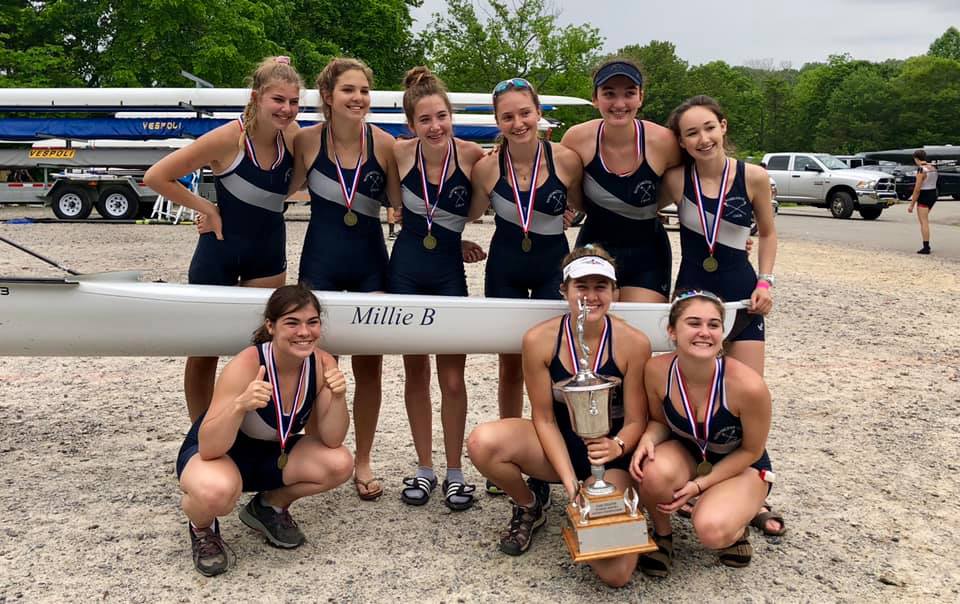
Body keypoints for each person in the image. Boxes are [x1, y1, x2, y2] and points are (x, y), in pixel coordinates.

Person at [467, 246, 651, 588]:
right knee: (483, 442)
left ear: (615, 292)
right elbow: (545, 418)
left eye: (600, 286)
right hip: (559, 446)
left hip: (610, 457)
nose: (591, 296)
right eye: (581, 286)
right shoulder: (539, 340)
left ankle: (605, 501)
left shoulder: (633, 343)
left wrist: (617, 446)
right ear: (564, 290)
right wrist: (569, 484)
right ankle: (530, 504)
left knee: (616, 574)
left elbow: (637, 419)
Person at [144, 56, 302, 423]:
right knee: (204, 352)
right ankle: (202, 429)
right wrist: (207, 208)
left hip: (267, 255)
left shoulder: (293, 138)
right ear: (257, 97)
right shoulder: (229, 137)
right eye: (278, 100)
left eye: (294, 102)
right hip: (219, 251)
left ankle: (255, 429)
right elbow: (157, 176)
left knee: (264, 350)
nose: (286, 109)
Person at [175, 284, 352, 577]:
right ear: (271, 326)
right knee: (215, 494)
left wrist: (338, 396)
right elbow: (209, 447)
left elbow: (332, 439)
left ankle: (268, 507)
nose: (304, 332)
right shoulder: (247, 364)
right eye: (292, 323)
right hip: (220, 454)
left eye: (312, 322)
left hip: (272, 452)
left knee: (339, 462)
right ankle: (202, 528)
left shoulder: (322, 362)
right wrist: (240, 406)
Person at [291, 57, 401, 501]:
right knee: (320, 365)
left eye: (364, 91)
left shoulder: (387, 144)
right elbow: (274, 194)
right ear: (328, 98)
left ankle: (365, 458)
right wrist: (210, 214)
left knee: (369, 367)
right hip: (321, 259)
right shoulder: (305, 141)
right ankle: (321, 448)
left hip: (370, 259)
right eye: (348, 91)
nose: (358, 98)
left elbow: (403, 205)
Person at [470, 78, 583, 504]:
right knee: (510, 363)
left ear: (538, 113)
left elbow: (581, 203)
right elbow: (471, 213)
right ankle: (510, 447)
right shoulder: (486, 167)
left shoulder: (566, 160)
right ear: (497, 121)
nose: (518, 123)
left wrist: (569, 214)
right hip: (505, 264)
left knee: (558, 360)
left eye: (525, 113)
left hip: (554, 262)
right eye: (507, 116)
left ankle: (557, 446)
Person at [388, 66, 487, 510]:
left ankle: (455, 471)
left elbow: (494, 201)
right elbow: (395, 209)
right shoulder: (398, 153)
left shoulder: (471, 157)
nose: (435, 126)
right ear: (411, 125)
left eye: (442, 116)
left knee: (452, 376)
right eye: (425, 120)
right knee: (416, 373)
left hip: (448, 272)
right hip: (405, 269)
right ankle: (424, 468)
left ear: (452, 116)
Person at [630, 290, 774, 576]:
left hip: (740, 464)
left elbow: (752, 450)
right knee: (651, 471)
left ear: (723, 331)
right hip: (689, 452)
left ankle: (736, 528)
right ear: (672, 331)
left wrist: (699, 486)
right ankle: (663, 535)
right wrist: (647, 439)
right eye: (694, 323)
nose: (704, 333)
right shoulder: (657, 370)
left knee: (711, 530)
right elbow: (659, 422)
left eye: (713, 325)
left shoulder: (748, 386)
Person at [659, 95, 777, 377]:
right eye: (692, 133)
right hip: (691, 291)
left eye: (709, 127)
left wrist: (765, 283)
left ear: (723, 126)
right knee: (692, 386)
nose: (703, 139)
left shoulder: (754, 177)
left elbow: (769, 234)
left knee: (747, 387)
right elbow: (637, 212)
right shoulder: (675, 179)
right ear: (681, 142)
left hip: (742, 294)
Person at [561, 58, 682, 302]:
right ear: (595, 98)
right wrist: (502, 148)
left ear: (641, 97)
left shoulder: (664, 141)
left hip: (647, 250)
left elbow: (701, 180)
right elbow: (547, 172)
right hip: (595, 244)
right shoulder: (576, 139)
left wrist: (728, 234)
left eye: (629, 93)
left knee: (641, 330)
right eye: (609, 93)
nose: (619, 103)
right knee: (591, 327)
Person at [908, 149, 938, 254]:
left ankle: (926, 247)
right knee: (924, 220)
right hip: (933, 194)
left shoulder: (921, 170)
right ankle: (926, 245)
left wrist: (911, 205)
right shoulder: (933, 167)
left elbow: (917, 189)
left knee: (924, 222)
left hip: (924, 195)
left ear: (916, 158)